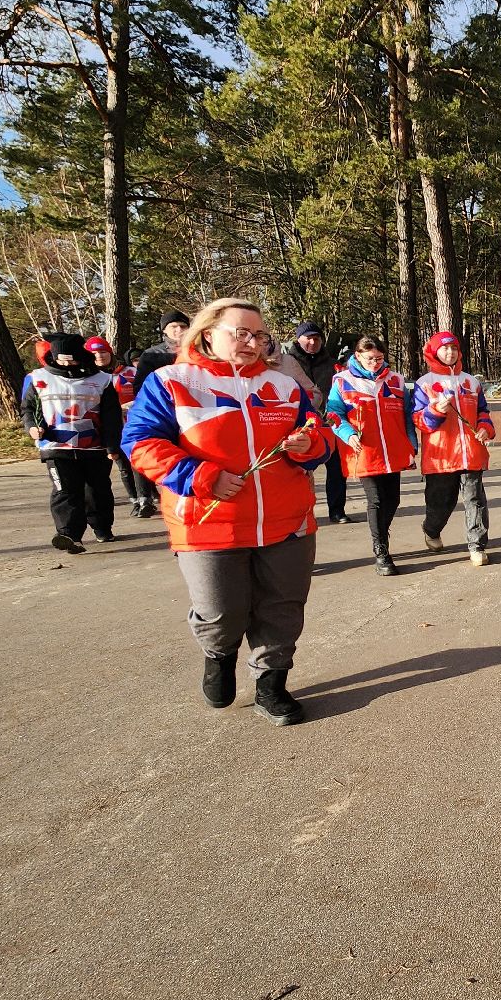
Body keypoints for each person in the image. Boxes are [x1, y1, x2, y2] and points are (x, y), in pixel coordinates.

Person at [120, 298, 331, 726]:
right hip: (206, 521)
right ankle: (218, 654)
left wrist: (311, 447)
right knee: (222, 611)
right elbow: (140, 443)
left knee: (283, 607)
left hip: (286, 519)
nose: (253, 343)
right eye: (241, 333)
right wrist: (200, 476)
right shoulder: (172, 381)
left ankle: (271, 684)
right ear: (207, 334)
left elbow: (317, 436)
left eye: (260, 335)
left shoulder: (283, 386)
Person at [22, 332, 123, 554]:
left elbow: (111, 416)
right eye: (61, 359)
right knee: (65, 490)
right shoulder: (38, 378)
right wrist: (32, 427)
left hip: (94, 446)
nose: (66, 363)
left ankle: (102, 527)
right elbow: (28, 409)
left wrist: (112, 445)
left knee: (97, 491)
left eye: (71, 359)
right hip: (55, 447)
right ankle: (68, 534)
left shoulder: (102, 380)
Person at [325, 336, 416, 576]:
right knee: (375, 500)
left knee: (393, 500)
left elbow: (407, 415)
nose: (375, 363)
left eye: (379, 358)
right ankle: (382, 552)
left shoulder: (396, 380)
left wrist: (411, 443)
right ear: (357, 356)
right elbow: (333, 414)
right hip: (364, 451)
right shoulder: (343, 381)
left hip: (393, 450)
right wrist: (347, 433)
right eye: (369, 359)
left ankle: (380, 533)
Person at [411, 330, 495, 566]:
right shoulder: (424, 383)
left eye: (454, 348)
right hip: (440, 456)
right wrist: (436, 411)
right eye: (445, 348)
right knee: (441, 503)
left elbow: (483, 412)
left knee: (475, 499)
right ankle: (432, 528)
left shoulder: (471, 381)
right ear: (434, 352)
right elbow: (419, 420)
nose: (450, 353)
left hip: (471, 452)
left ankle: (477, 546)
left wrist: (485, 428)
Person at [283, 321, 349, 524]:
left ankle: (337, 510)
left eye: (316, 338)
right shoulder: (288, 362)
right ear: (298, 339)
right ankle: (302, 512)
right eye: (308, 338)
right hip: (299, 423)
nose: (313, 342)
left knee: (336, 469)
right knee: (301, 471)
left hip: (328, 421)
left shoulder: (330, 363)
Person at [128, 310, 190, 516]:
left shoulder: (199, 350)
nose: (179, 331)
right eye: (174, 327)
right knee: (158, 454)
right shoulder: (153, 355)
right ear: (165, 331)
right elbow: (141, 387)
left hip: (192, 412)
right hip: (165, 412)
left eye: (183, 326)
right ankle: (146, 497)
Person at [83, 336, 142, 515]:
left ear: (109, 352)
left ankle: (145, 497)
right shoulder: (87, 377)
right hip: (104, 430)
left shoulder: (130, 372)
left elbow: (145, 395)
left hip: (133, 425)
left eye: (102, 351)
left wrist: (129, 406)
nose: (99, 356)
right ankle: (135, 500)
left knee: (137, 463)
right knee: (122, 466)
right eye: (94, 353)